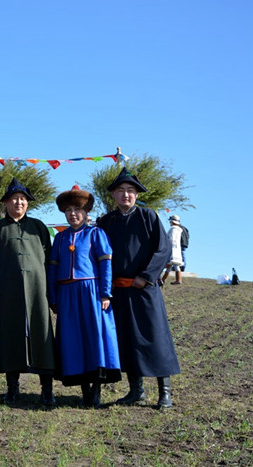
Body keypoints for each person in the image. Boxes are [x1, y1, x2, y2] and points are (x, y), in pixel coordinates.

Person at [97, 168, 181, 409]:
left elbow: (163, 249)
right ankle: (136, 391)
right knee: (126, 339)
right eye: (121, 191)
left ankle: (164, 392)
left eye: (131, 191)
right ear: (113, 195)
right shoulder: (106, 222)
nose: (126, 195)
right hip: (117, 291)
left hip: (144, 289)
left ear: (136, 195)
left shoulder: (149, 217)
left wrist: (145, 276)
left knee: (154, 337)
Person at [0, 178, 56, 406]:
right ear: (6, 202)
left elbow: (50, 261)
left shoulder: (39, 227)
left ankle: (47, 390)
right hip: (7, 293)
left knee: (42, 336)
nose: (19, 202)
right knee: (9, 338)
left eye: (23, 199)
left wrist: (51, 294)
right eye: (14, 198)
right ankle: (12, 389)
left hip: (38, 293)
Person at [48, 186, 121, 408]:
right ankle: (83, 390)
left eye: (77, 209)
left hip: (91, 291)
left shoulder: (96, 234)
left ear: (86, 211)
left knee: (93, 337)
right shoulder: (60, 238)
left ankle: (96, 388)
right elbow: (52, 270)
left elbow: (105, 264)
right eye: (69, 210)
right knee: (73, 339)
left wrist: (105, 293)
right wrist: (53, 297)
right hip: (67, 294)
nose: (73, 214)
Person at [160, 215, 184, 285]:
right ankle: (163, 279)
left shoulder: (173, 229)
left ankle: (177, 279)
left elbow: (172, 239)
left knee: (170, 264)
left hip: (172, 249)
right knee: (173, 265)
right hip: (177, 250)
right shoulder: (179, 230)